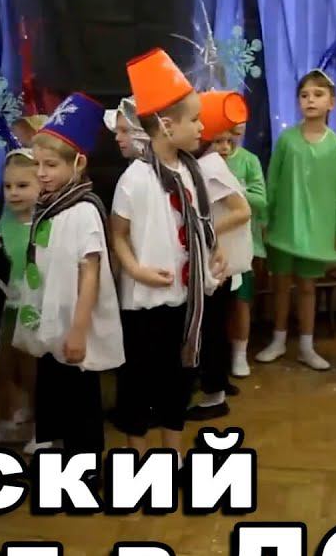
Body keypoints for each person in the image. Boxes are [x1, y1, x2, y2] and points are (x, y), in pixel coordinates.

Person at [111, 48, 224, 458]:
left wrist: (215, 254)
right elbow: (117, 235)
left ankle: (172, 456)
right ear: (165, 125)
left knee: (179, 379)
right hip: (146, 303)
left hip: (186, 299)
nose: (202, 127)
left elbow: (201, 224)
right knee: (139, 382)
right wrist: (136, 270)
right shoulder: (134, 179)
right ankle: (138, 461)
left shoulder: (193, 171)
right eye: (194, 120)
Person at [12, 93, 124, 458]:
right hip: (52, 324)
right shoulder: (50, 207)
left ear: (78, 163)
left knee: (80, 403)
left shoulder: (84, 210)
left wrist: (78, 330)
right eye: (38, 164)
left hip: (74, 327)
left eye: (51, 165)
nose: (42, 173)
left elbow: (89, 274)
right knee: (55, 396)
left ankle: (85, 470)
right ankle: (59, 463)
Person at [256, 70, 336, 370]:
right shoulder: (287, 140)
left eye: (318, 94)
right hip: (283, 228)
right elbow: (272, 182)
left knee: (308, 287)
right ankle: (278, 340)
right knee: (280, 284)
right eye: (304, 95)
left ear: (332, 102)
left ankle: (306, 346)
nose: (310, 100)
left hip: (317, 232)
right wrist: (265, 219)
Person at [188, 91, 253, 421]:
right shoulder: (209, 164)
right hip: (221, 262)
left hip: (218, 263)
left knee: (211, 328)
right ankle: (220, 383)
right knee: (216, 326)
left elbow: (243, 211)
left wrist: (204, 230)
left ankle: (214, 395)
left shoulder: (209, 165)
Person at [0, 149, 42, 449]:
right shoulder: (4, 219)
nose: (13, 192)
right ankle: (6, 422)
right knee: (1, 365)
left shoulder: (46, 223)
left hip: (36, 307)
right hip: (8, 306)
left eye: (22, 185)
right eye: (8, 186)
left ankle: (40, 428)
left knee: (32, 369)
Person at [225, 117, 267, 378]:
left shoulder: (249, 161)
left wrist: (237, 190)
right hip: (213, 245)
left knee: (241, 301)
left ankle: (240, 355)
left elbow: (261, 201)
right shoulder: (203, 159)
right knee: (217, 306)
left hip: (245, 245)